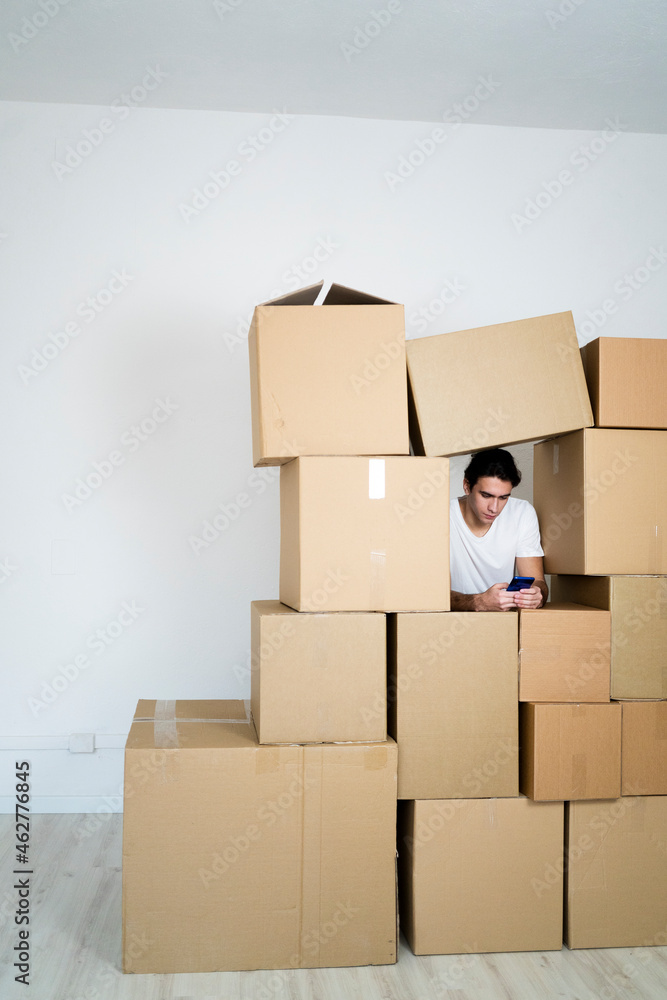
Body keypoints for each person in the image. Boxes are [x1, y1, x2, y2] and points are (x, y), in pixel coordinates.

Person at [450, 447, 547, 612]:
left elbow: (538, 581)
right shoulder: (442, 515)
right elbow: (424, 592)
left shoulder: (522, 512)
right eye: (486, 496)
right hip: (447, 621)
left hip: (503, 623)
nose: (494, 508)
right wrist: (478, 602)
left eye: (503, 498)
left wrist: (537, 595)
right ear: (467, 486)